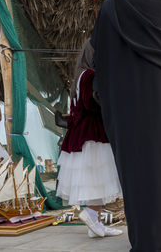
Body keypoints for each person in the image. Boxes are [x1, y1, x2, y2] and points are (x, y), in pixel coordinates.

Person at [90, 0, 161, 251]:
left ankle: (145, 242)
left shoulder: (112, 5)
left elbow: (98, 55)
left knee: (135, 174)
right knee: (160, 169)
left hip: (125, 107)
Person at [56, 41, 123, 238]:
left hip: (81, 134)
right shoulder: (90, 76)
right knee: (98, 179)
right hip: (92, 133)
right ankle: (92, 216)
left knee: (95, 180)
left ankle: (96, 224)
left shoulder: (81, 75)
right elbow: (91, 103)